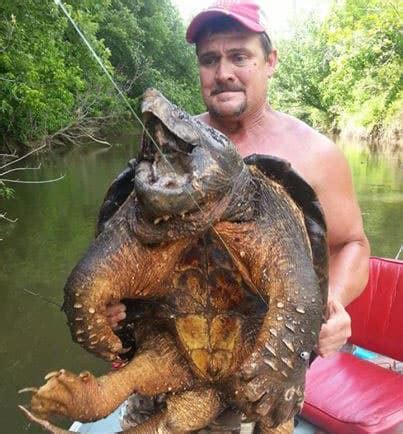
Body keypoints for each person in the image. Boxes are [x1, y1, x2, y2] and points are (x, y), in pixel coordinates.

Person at [107, 0, 370, 428]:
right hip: (167, 364)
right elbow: (128, 249)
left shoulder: (316, 154)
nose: (223, 72)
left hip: (264, 370)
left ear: (270, 61)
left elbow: (352, 244)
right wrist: (114, 304)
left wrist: (332, 301)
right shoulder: (166, 150)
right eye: (210, 59)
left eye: (239, 56)